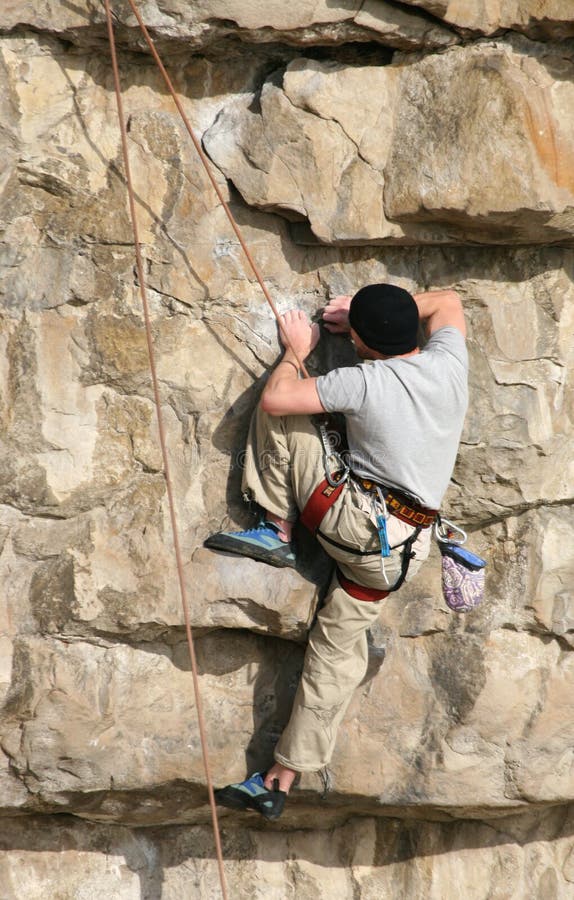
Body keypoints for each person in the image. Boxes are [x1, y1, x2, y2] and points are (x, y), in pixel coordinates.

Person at [205, 283, 468, 820]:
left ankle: (275, 528)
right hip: (403, 556)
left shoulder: (364, 380)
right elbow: (448, 302)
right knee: (334, 653)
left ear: (362, 342)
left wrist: (295, 351)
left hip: (359, 532)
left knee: (287, 413)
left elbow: (278, 399)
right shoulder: (448, 363)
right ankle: (279, 779)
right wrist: (371, 315)